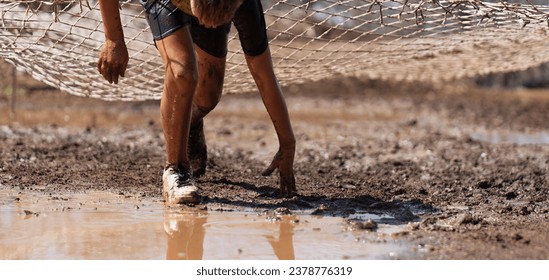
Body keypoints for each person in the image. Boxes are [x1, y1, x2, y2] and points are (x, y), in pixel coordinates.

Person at [97, 0, 297, 204]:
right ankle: (176, 170)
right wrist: (113, 38)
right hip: (167, 3)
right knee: (184, 73)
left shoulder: (245, 4)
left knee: (208, 97)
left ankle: (188, 124)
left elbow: (263, 74)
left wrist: (287, 143)